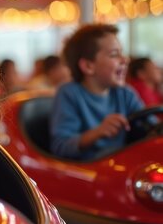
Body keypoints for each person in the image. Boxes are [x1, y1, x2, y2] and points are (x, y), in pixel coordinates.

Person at [50, 24, 144, 160]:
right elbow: (60, 147)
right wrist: (98, 132)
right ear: (88, 66)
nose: (125, 60)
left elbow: (149, 126)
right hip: (88, 172)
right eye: (114, 54)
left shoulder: (125, 93)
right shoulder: (68, 94)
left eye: (122, 53)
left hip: (121, 166)